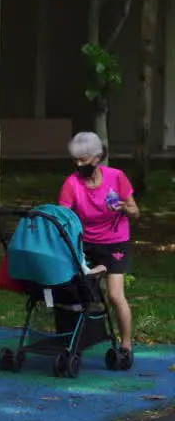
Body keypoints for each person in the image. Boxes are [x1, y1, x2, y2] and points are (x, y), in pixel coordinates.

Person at [58, 131, 139, 355]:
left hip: (115, 242)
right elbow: (64, 216)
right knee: (80, 294)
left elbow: (135, 212)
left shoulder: (116, 177)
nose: (78, 164)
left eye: (82, 159)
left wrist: (123, 207)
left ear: (97, 158)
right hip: (86, 242)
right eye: (75, 159)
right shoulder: (72, 183)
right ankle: (78, 339)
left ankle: (125, 344)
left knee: (114, 295)